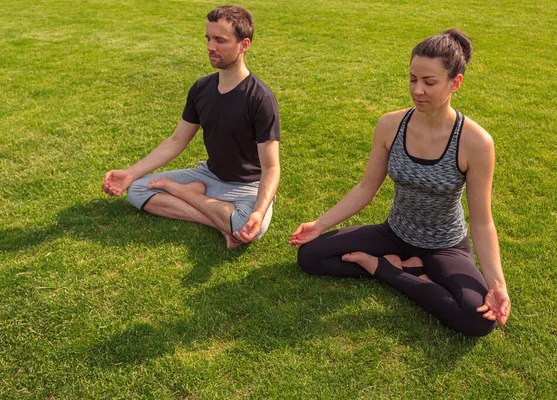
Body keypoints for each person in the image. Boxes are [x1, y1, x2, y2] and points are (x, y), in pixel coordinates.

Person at [290, 29, 510, 336]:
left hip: (444, 246)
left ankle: (390, 270)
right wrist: (319, 224)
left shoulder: (475, 142)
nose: (417, 90)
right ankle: (405, 266)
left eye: (429, 82)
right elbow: (367, 188)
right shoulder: (391, 124)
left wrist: (497, 283)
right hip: (395, 233)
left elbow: (483, 223)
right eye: (412, 79)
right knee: (310, 255)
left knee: (479, 319)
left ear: (455, 83)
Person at [102, 5, 280, 249]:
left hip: (247, 186)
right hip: (209, 176)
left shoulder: (259, 98)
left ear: (244, 45)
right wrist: (130, 173)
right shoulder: (201, 89)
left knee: (250, 228)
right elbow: (176, 140)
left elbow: (271, 167)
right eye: (208, 39)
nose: (210, 47)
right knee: (137, 190)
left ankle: (186, 193)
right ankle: (217, 221)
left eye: (220, 40)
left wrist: (259, 212)